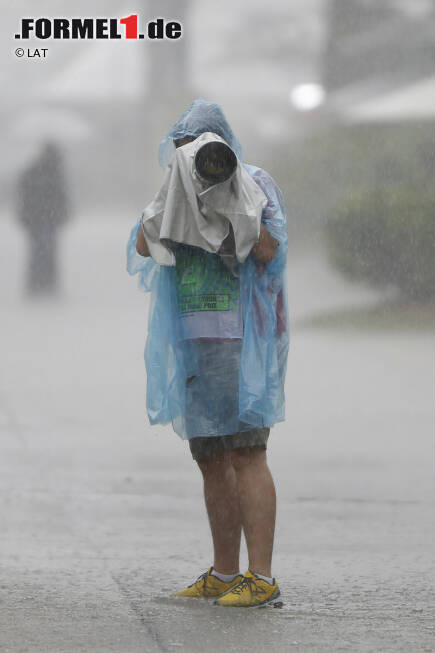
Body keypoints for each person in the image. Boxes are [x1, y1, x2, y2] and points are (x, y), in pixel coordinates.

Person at [127, 99, 289, 607]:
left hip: (241, 340)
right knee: (211, 458)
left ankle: (260, 578)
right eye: (183, 149)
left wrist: (228, 199)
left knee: (247, 451)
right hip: (194, 343)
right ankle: (224, 574)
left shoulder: (253, 180)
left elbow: (268, 250)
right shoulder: (175, 184)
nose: (194, 156)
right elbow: (141, 247)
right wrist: (175, 201)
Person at [16, 141, 70, 296]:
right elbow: (61, 198)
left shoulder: (32, 171)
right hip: (46, 219)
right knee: (47, 250)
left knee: (37, 251)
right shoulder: (54, 173)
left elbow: (23, 194)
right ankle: (46, 282)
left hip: (36, 219)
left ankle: (37, 282)